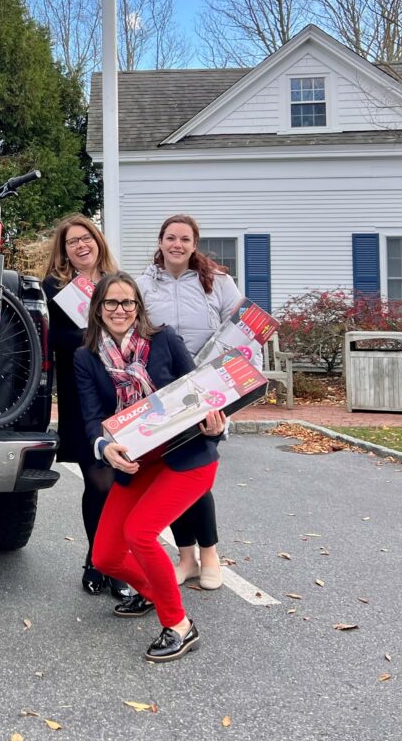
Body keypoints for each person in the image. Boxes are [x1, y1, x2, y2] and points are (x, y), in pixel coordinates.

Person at [74, 272, 226, 663]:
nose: (120, 310)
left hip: (185, 459)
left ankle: (178, 624)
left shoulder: (165, 341)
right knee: (106, 556)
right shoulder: (86, 356)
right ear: (98, 309)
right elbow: (91, 418)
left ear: (138, 307)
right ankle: (152, 592)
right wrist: (104, 446)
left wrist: (216, 422)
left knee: (140, 533)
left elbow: (203, 391)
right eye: (111, 303)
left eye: (128, 302)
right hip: (136, 463)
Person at [137, 214, 253, 592]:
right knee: (169, 474)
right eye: (170, 238)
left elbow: (244, 331)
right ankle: (185, 557)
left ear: (194, 243)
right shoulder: (143, 284)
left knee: (196, 475)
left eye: (184, 239)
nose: (177, 245)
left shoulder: (218, 282)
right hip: (161, 394)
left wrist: (235, 390)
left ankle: (210, 554)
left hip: (208, 391)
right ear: (160, 241)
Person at [40, 214, 126, 599]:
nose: (80, 245)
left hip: (121, 394)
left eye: (85, 238)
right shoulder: (54, 287)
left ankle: (115, 562)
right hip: (80, 396)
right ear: (65, 250)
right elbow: (48, 335)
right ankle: (97, 559)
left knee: (121, 482)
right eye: (72, 241)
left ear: (98, 240)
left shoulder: (117, 283)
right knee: (98, 481)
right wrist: (90, 335)